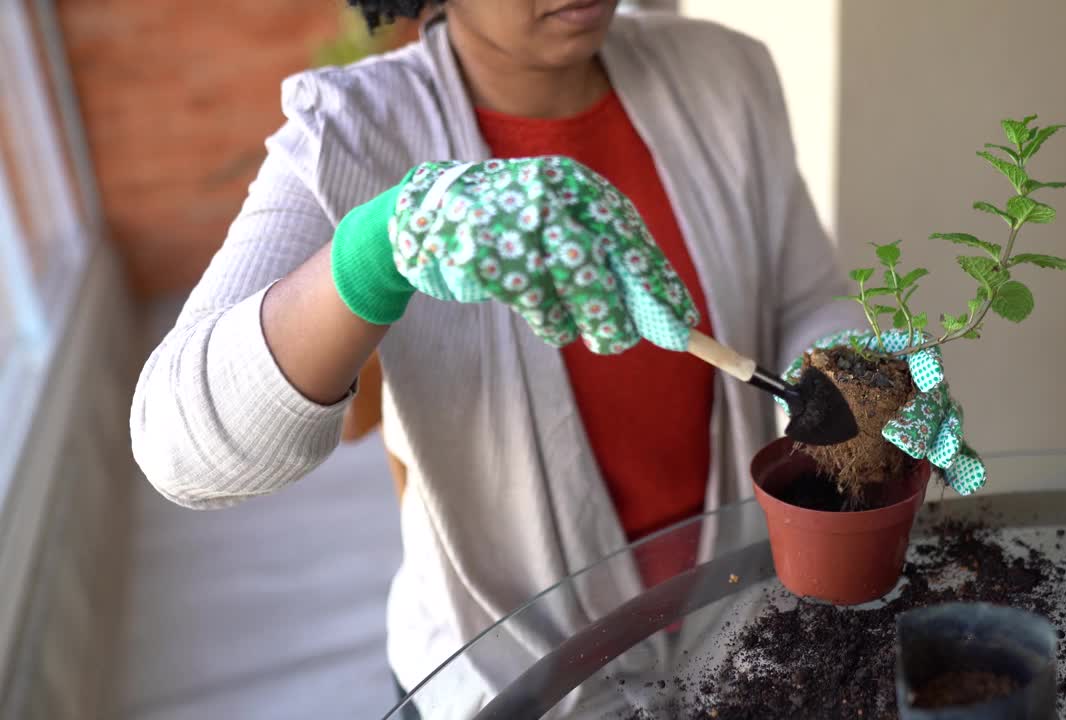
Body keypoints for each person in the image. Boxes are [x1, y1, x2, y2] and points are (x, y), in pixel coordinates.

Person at [129, 0, 855, 715]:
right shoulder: (351, 132)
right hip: (506, 684)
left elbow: (806, 297)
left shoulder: (724, 71)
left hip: (739, 639)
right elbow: (182, 451)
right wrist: (381, 247)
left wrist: (858, 376)